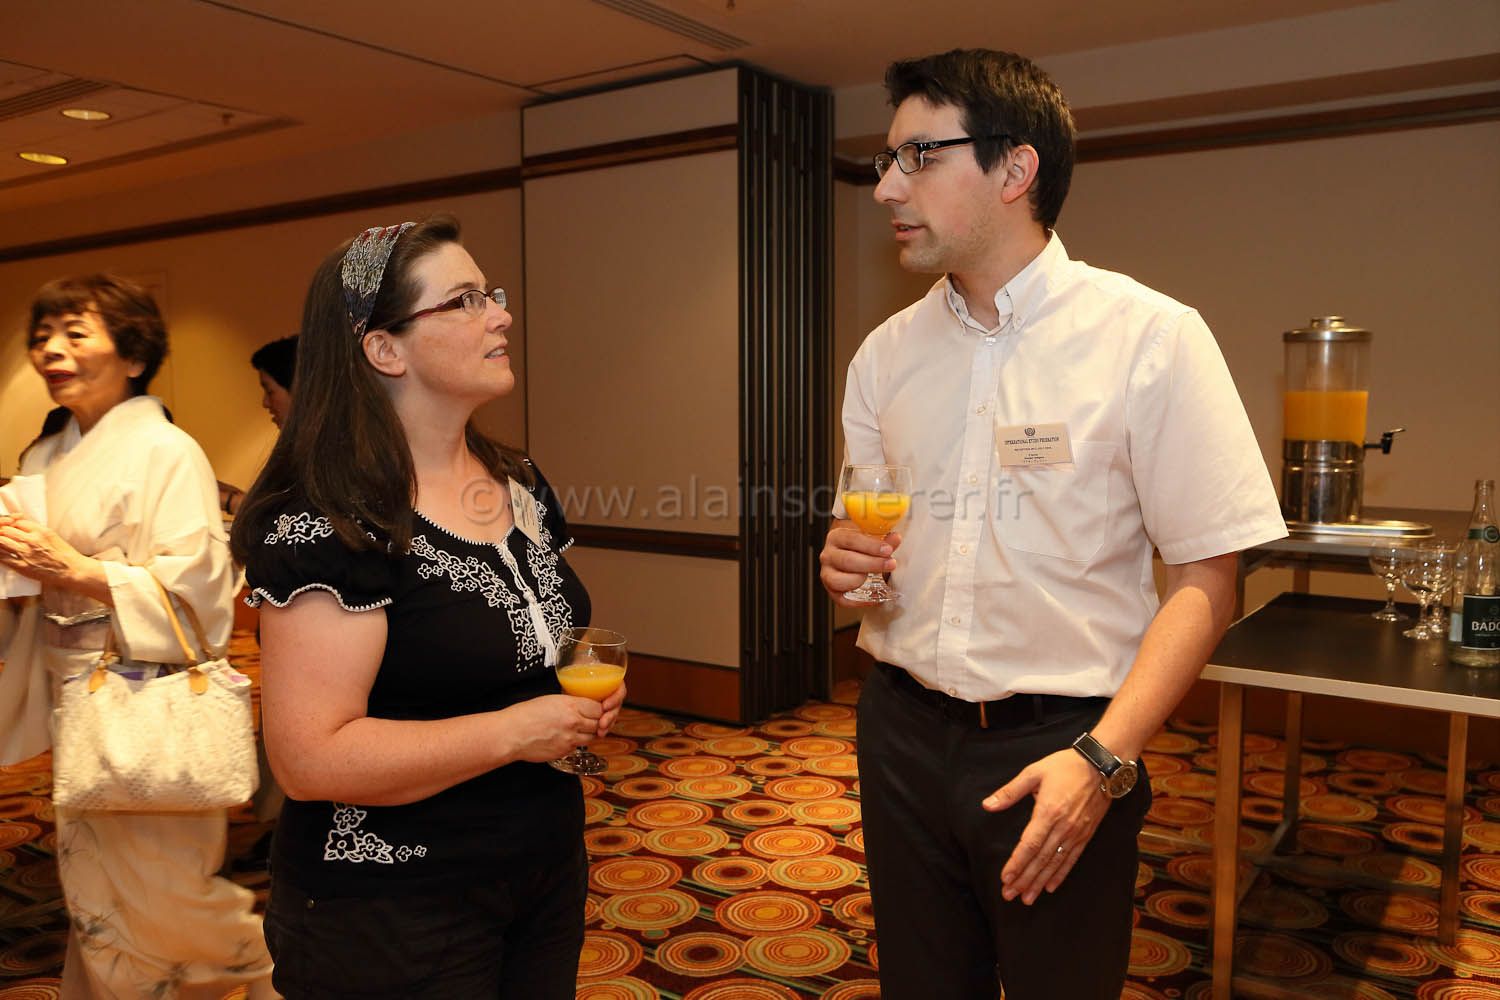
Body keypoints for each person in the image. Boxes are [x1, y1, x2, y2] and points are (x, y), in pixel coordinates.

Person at [819, 50, 1285, 1000]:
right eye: (886, 161)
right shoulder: (884, 356)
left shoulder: (1150, 337)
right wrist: (847, 565)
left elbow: (1209, 578)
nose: (888, 188)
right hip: (900, 734)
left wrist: (1104, 759)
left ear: (1015, 169)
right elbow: (867, 551)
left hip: (1068, 741)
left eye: (918, 156)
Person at [230, 215, 620, 999]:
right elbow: (309, 761)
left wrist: (579, 688)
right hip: (392, 902)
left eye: (491, 294)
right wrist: (515, 731)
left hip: (541, 866)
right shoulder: (329, 518)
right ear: (385, 349)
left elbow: (540, 631)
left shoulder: (515, 478)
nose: (501, 315)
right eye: (466, 300)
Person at [0, 274, 275, 998]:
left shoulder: (166, 451)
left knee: (167, 885)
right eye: (43, 337)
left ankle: (252, 973)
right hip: (75, 692)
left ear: (133, 356)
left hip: (146, 695)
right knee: (94, 884)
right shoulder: (46, 456)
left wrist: (77, 570)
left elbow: (200, 595)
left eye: (75, 334)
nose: (51, 351)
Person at [219, 334, 300, 517]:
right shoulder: (294, 445)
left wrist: (227, 500)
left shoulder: (322, 451)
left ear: (298, 389)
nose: (265, 403)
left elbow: (286, 515)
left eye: (270, 392)